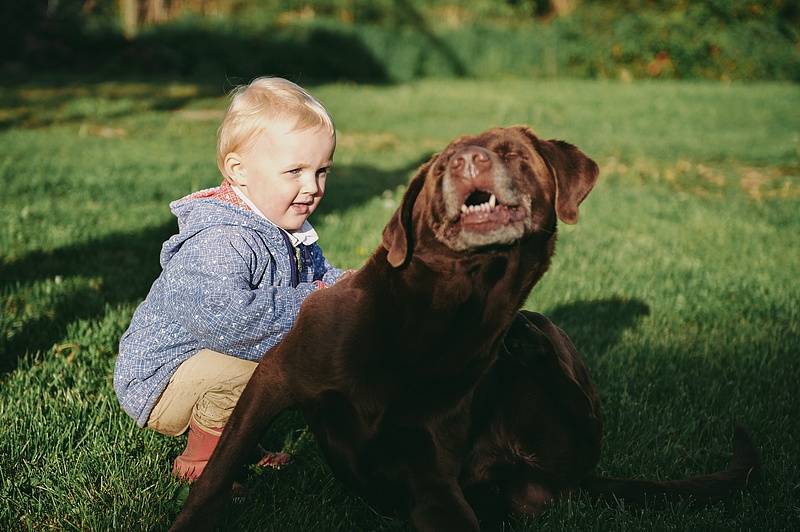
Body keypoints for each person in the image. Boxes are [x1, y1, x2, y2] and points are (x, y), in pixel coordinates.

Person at [114, 77, 347, 491]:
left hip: (205, 360)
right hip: (161, 378)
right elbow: (228, 321)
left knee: (268, 366)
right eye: (294, 171)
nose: (312, 187)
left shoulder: (286, 228)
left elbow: (318, 278)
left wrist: (347, 288)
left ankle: (237, 443)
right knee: (262, 370)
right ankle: (202, 459)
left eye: (322, 171)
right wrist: (316, 302)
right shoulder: (223, 237)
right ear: (238, 171)